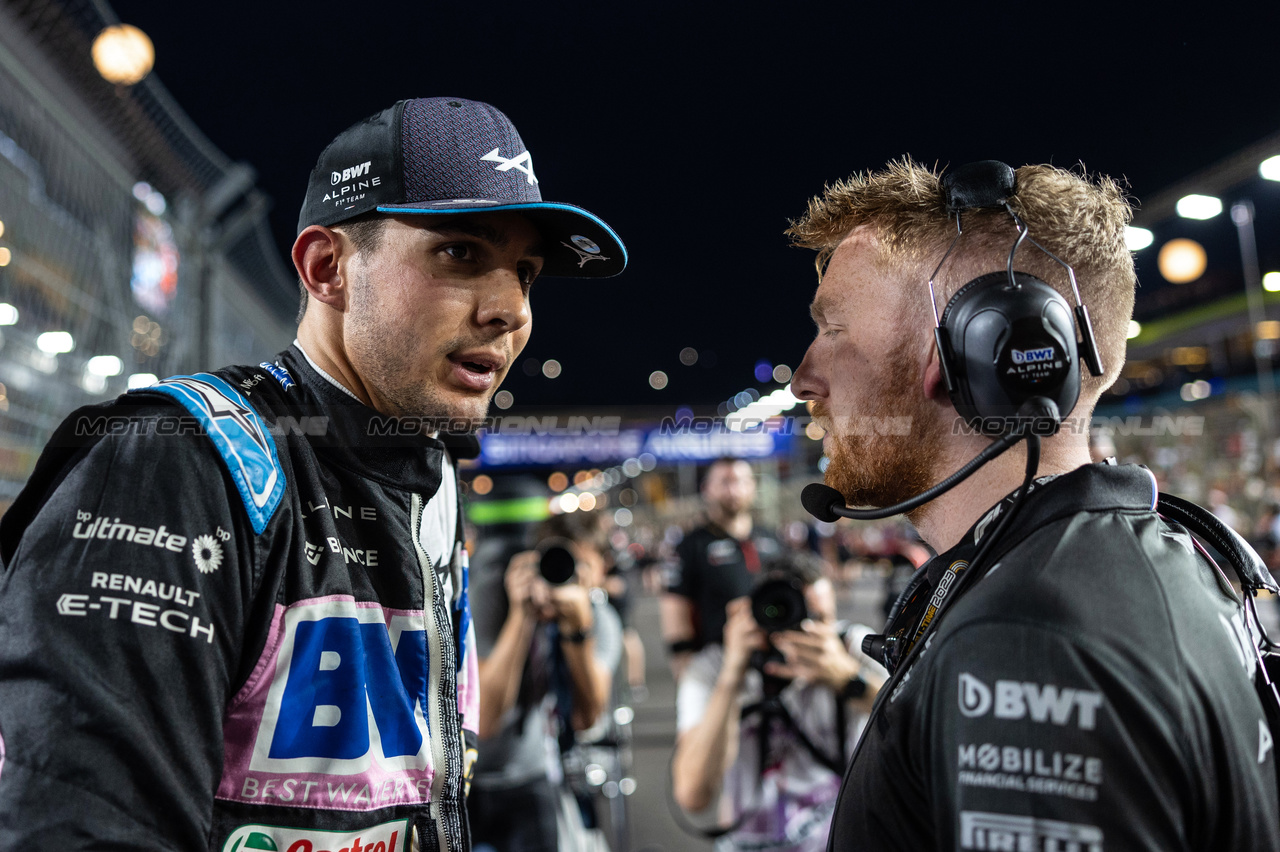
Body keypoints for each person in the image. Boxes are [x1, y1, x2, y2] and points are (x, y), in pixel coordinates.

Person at [0, 97, 625, 850]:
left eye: (525, 273)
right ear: (328, 269)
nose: (509, 309)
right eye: (461, 252)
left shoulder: (431, 478)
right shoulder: (180, 458)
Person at [786, 158, 1279, 849]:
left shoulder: (1028, 637)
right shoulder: (1156, 562)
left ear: (976, 348)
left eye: (833, 329)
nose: (805, 379)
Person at [671, 553, 885, 852]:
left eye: (819, 620)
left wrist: (849, 680)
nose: (804, 632)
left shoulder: (848, 649)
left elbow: (922, 733)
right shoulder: (714, 668)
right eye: (785, 612)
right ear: (754, 613)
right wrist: (732, 676)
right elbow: (694, 795)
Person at [468, 509, 622, 852]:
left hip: (531, 775)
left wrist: (577, 632)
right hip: (465, 776)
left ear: (599, 571)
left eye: (580, 566)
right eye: (558, 562)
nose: (566, 577)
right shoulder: (495, 596)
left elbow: (585, 719)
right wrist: (521, 617)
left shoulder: (600, 620)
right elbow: (485, 720)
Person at [663, 457, 781, 679]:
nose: (734, 490)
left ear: (753, 487)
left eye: (741, 481)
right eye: (725, 482)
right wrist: (684, 666)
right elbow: (675, 608)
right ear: (707, 489)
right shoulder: (691, 545)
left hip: (773, 662)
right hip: (717, 662)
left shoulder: (770, 539)